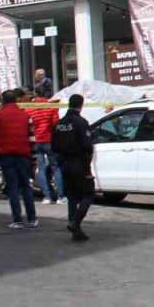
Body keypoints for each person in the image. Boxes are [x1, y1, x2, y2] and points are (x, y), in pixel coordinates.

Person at [51, 94, 95, 242]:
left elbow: (54, 146)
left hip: (64, 164)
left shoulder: (59, 123)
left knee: (72, 197)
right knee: (88, 194)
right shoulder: (81, 122)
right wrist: (87, 163)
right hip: (79, 164)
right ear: (81, 105)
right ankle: (75, 221)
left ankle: (75, 230)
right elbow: (87, 145)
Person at [0, 89, 37, 229]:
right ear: (16, 100)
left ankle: (17, 220)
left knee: (12, 187)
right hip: (23, 155)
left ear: (3, 101)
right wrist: (33, 158)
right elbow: (32, 138)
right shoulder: (26, 115)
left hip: (5, 155)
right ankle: (32, 219)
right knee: (26, 186)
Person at [27, 91, 64, 205]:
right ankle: (60, 197)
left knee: (41, 168)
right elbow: (56, 124)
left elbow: (29, 125)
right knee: (56, 168)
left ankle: (47, 196)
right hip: (49, 140)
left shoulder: (29, 109)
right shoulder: (51, 107)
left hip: (36, 141)